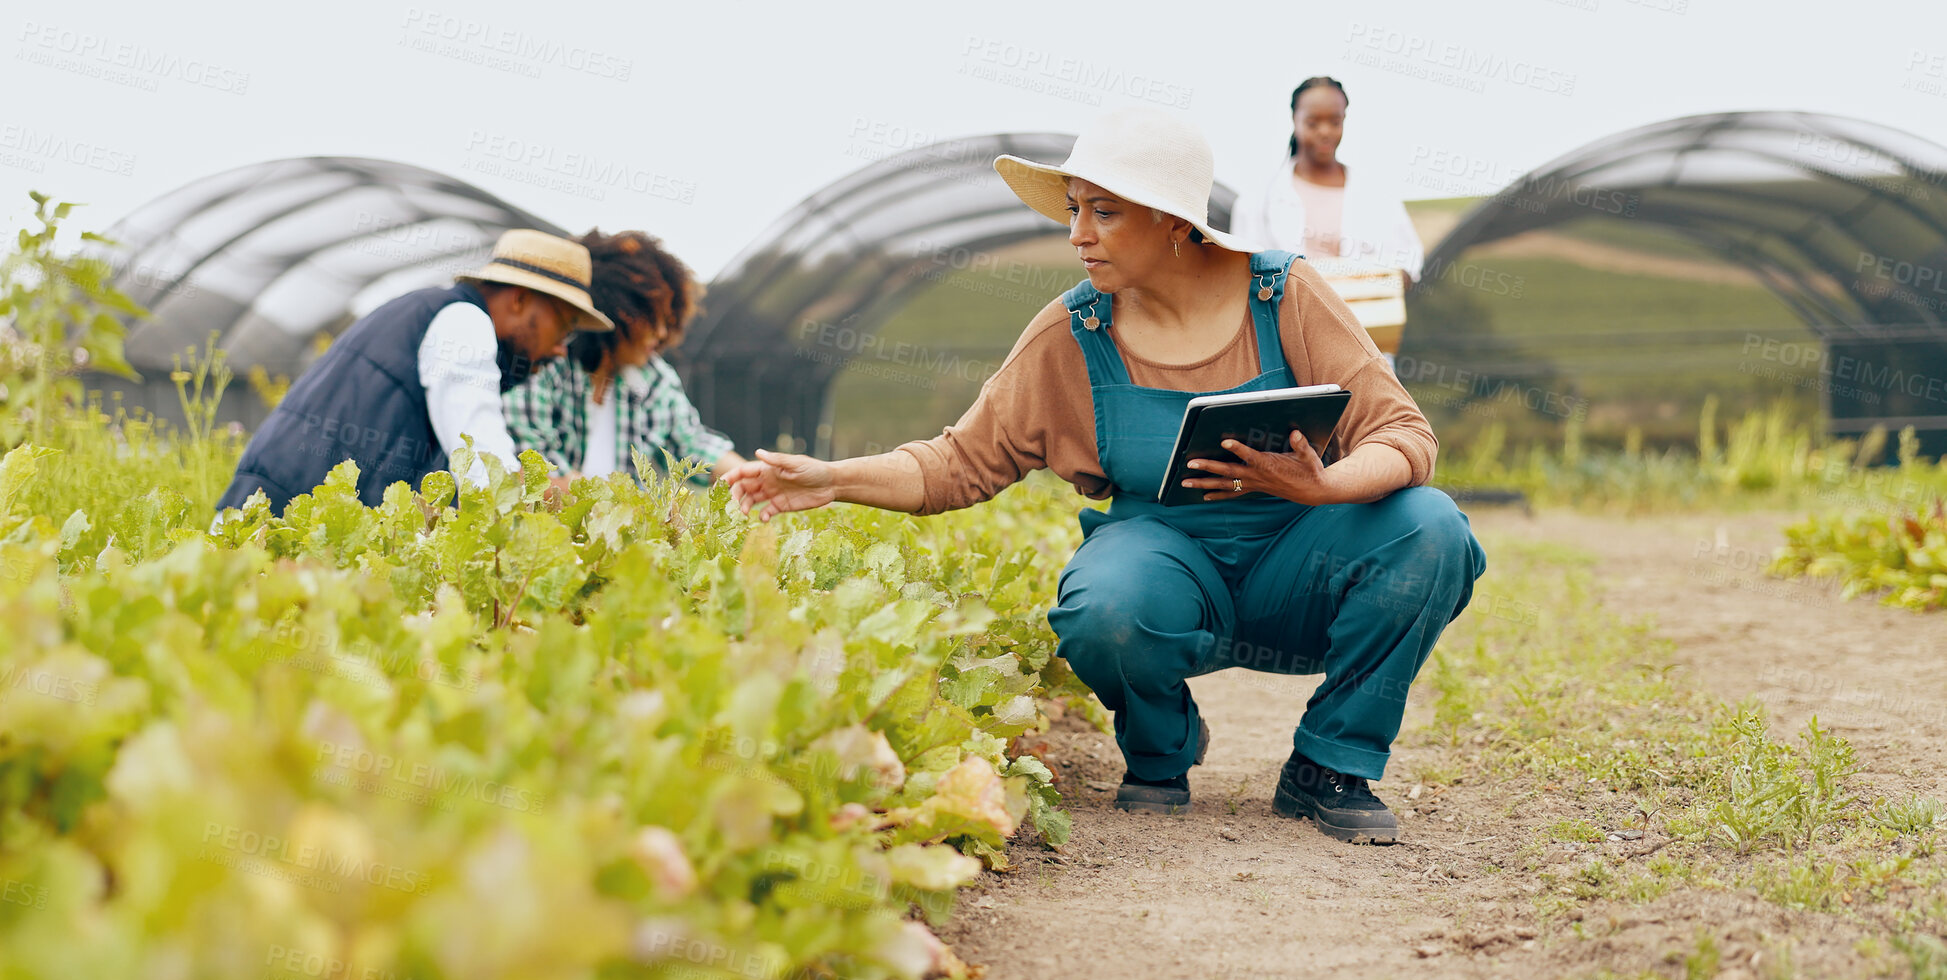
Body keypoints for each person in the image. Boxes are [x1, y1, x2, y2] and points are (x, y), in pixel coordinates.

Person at [725, 108, 1485, 845]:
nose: (1077, 233)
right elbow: (958, 462)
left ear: (1171, 219)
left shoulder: (1283, 294)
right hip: (1166, 564)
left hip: (1302, 559)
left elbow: (1403, 435)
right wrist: (832, 479)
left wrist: (1325, 486)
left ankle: (1329, 763)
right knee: (1104, 606)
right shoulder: (1073, 331)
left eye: (1105, 212)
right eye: (1074, 209)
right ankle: (1163, 747)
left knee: (1431, 528)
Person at [216, 229, 611, 514]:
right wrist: (574, 493)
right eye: (564, 328)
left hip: (261, 525)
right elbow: (489, 477)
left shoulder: (428, 311)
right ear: (521, 300)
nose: (562, 350)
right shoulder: (464, 324)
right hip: (271, 540)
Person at [503, 229, 744, 485]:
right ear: (615, 311)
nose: (661, 333)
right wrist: (640, 511)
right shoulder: (545, 370)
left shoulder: (652, 378)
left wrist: (750, 475)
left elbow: (691, 442)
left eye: (666, 320)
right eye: (651, 319)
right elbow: (538, 477)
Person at [1231, 77, 1423, 368]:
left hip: (1366, 341)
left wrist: (1380, 282)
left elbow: (1409, 260)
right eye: (1312, 122)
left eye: (1335, 121)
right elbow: (1242, 272)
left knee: (1367, 409)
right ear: (1294, 120)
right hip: (1288, 347)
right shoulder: (1259, 200)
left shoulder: (1375, 196)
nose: (1325, 131)